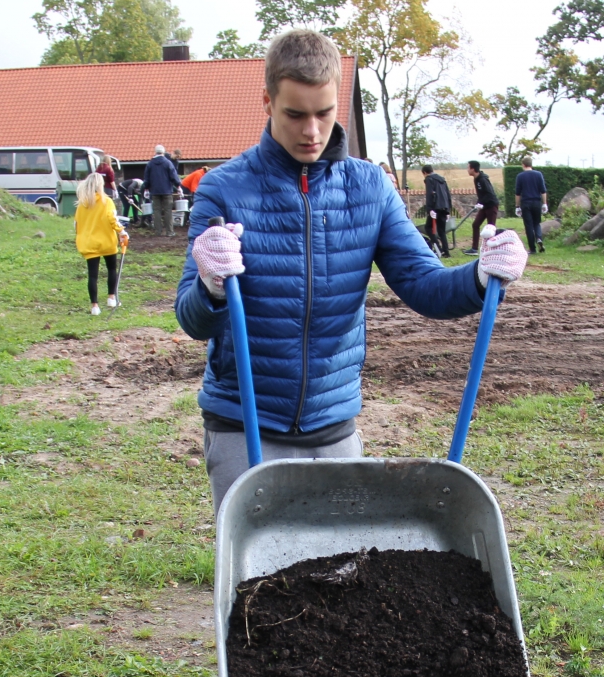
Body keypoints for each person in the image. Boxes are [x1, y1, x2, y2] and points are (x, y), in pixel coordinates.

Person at [178, 29, 527, 511]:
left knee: (338, 575)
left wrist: (481, 277)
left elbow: (423, 285)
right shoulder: (223, 190)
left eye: (324, 113)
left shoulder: (367, 187)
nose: (312, 132)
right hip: (245, 423)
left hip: (333, 424)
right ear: (267, 102)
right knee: (253, 578)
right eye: (295, 114)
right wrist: (211, 285)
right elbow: (192, 319)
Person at [75, 173, 127, 316]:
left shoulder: (82, 204)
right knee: (111, 269)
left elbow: (77, 224)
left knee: (93, 275)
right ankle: (111, 297)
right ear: (100, 185)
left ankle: (94, 306)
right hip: (106, 242)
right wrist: (122, 232)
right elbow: (113, 219)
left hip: (89, 243)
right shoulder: (107, 201)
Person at [144, 144, 181, 236]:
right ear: (163, 152)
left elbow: (147, 178)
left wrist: (146, 188)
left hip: (155, 191)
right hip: (167, 191)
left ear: (155, 152)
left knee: (157, 211)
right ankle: (169, 231)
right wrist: (178, 186)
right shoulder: (168, 163)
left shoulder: (150, 164)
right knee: (168, 211)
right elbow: (173, 176)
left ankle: (158, 232)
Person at [513, 156, 548, 253]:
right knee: (537, 223)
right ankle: (539, 238)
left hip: (526, 203)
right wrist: (545, 203)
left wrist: (517, 206)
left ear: (523, 165)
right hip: (537, 202)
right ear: (531, 164)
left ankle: (532, 248)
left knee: (528, 225)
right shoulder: (538, 174)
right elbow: (543, 191)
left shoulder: (520, 176)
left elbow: (517, 193)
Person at [465, 159, 499, 255]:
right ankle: (474, 249)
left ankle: (493, 248)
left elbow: (489, 193)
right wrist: (479, 202)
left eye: (468, 167)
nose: (467, 170)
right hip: (484, 205)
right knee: (475, 224)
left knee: (491, 227)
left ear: (473, 169)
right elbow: (482, 194)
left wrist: (481, 202)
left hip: (491, 205)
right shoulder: (476, 178)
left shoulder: (483, 179)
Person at [421, 163, 452, 256]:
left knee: (428, 227)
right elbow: (447, 194)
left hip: (435, 207)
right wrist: (448, 210)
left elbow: (430, 195)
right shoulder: (442, 179)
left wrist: (430, 209)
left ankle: (438, 247)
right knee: (441, 230)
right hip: (444, 207)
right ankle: (446, 251)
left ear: (425, 172)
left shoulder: (429, 179)